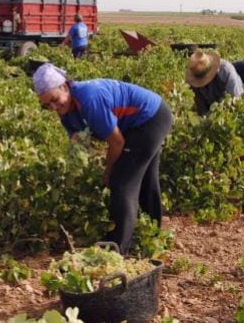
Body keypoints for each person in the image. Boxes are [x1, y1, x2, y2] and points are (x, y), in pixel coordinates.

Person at [32, 63, 173, 255]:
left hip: (151, 118)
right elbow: (80, 140)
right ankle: (154, 237)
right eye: (47, 105)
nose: (54, 107)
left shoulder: (90, 99)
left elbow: (116, 142)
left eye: (55, 100)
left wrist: (108, 171)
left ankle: (118, 249)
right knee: (146, 178)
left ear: (65, 86)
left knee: (122, 183)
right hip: (136, 123)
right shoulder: (65, 112)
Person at [185, 50, 244, 115]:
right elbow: (200, 106)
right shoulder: (195, 74)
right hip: (212, 110)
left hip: (229, 109)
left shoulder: (226, 71)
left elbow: (236, 101)